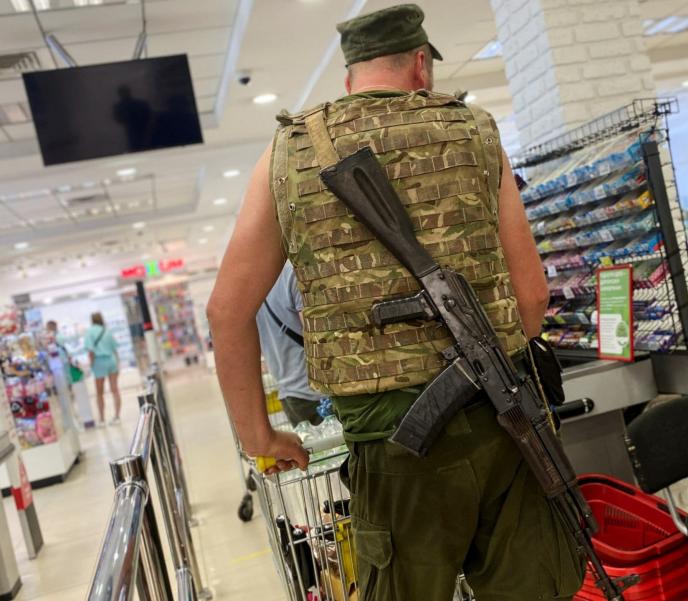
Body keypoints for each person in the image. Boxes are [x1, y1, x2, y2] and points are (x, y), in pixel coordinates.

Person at [207, 4, 583, 600]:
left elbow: (226, 312)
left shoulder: (288, 153)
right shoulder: (476, 131)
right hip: (504, 422)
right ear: (419, 65)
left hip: (388, 446)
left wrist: (261, 439)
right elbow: (531, 297)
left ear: (351, 76)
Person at [255, 262, 326, 426]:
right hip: (316, 394)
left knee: (312, 449)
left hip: (289, 394)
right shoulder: (292, 274)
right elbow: (317, 336)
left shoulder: (252, 288)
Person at [83, 312, 122, 426]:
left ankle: (102, 420)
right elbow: (115, 349)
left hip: (98, 363)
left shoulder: (89, 332)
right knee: (115, 390)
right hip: (111, 361)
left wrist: (90, 365)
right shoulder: (107, 331)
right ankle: (117, 416)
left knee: (99, 393)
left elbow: (91, 352)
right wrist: (118, 364)